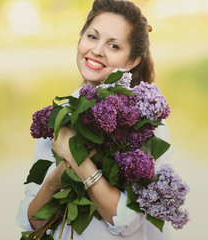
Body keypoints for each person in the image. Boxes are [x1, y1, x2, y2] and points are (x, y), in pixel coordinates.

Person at [17, 0, 172, 239]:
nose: (97, 50)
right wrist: (54, 181)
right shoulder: (59, 117)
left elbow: (127, 221)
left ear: (133, 61)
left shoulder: (147, 123)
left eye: (113, 45)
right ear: (80, 38)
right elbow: (34, 222)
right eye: (92, 37)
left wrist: (75, 159)